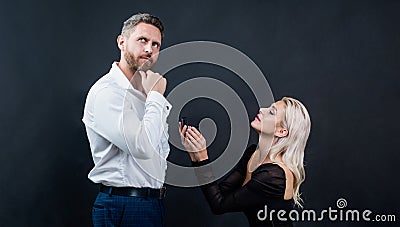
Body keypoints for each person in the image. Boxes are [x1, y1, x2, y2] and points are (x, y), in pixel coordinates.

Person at [82, 13, 171, 227]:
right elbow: (142, 147)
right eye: (143, 40)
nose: (149, 49)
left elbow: (160, 153)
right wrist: (158, 98)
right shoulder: (108, 92)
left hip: (150, 204)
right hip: (124, 205)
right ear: (121, 42)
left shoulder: (146, 94)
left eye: (156, 44)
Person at [179, 97, 311, 227]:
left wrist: (202, 157)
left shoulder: (273, 176)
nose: (261, 109)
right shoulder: (254, 154)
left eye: (272, 112)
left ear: (281, 131)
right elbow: (220, 194)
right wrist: (195, 154)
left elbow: (219, 205)